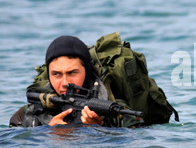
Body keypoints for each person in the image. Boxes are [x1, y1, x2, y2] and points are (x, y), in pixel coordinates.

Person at [9, 35, 143, 127]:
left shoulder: (115, 111)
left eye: (72, 73)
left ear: (87, 71)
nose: (65, 83)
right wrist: (47, 132)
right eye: (56, 74)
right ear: (48, 75)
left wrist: (98, 129)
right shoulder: (26, 114)